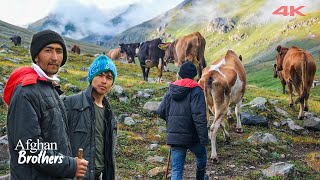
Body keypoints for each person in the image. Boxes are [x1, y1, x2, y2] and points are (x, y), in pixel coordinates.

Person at [3, 29, 88, 179]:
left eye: (59, 51)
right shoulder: (26, 92)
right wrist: (70, 166)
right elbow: (29, 148)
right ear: (36, 56)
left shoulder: (48, 86)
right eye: (48, 50)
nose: (55, 57)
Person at [63, 55, 117, 180]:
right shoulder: (71, 104)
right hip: (76, 176)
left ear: (112, 83)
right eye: (100, 75)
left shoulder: (109, 114)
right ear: (92, 77)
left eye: (109, 78)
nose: (104, 81)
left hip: (99, 175)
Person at [157, 61, 209, 180]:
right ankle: (200, 178)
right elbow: (199, 117)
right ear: (194, 76)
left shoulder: (171, 90)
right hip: (193, 137)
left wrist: (172, 123)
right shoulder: (196, 91)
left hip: (175, 137)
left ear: (180, 74)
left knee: (176, 170)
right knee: (201, 157)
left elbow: (160, 111)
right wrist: (204, 139)